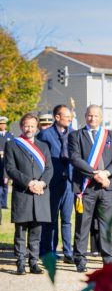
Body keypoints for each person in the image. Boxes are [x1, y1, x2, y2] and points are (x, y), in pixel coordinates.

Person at [68, 105, 112, 272]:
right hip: (86, 188)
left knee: (106, 224)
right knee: (83, 224)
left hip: (107, 187)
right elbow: (75, 158)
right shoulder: (75, 135)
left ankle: (108, 258)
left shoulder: (110, 135)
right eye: (90, 115)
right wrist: (95, 174)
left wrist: (106, 173)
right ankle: (80, 258)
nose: (93, 119)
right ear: (85, 116)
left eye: (96, 116)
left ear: (101, 117)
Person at [4, 114, 53, 274]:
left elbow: (49, 168)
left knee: (36, 231)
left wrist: (41, 183)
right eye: (26, 126)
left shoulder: (43, 146)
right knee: (20, 232)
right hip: (23, 193)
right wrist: (29, 183)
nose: (29, 129)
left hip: (40, 193)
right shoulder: (12, 145)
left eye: (32, 126)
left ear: (37, 126)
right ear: (21, 126)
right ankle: (20, 262)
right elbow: (11, 169)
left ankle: (34, 262)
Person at [37, 104, 74, 263]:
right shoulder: (45, 134)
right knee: (50, 219)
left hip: (69, 183)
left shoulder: (74, 134)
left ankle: (68, 252)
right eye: (67, 116)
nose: (70, 119)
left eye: (70, 116)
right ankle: (47, 251)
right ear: (57, 117)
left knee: (66, 219)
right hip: (51, 183)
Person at [0, 115, 13, 210]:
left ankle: (4, 203)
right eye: (1, 124)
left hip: (5, 163)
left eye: (4, 124)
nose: (3, 125)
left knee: (5, 184)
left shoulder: (10, 135)